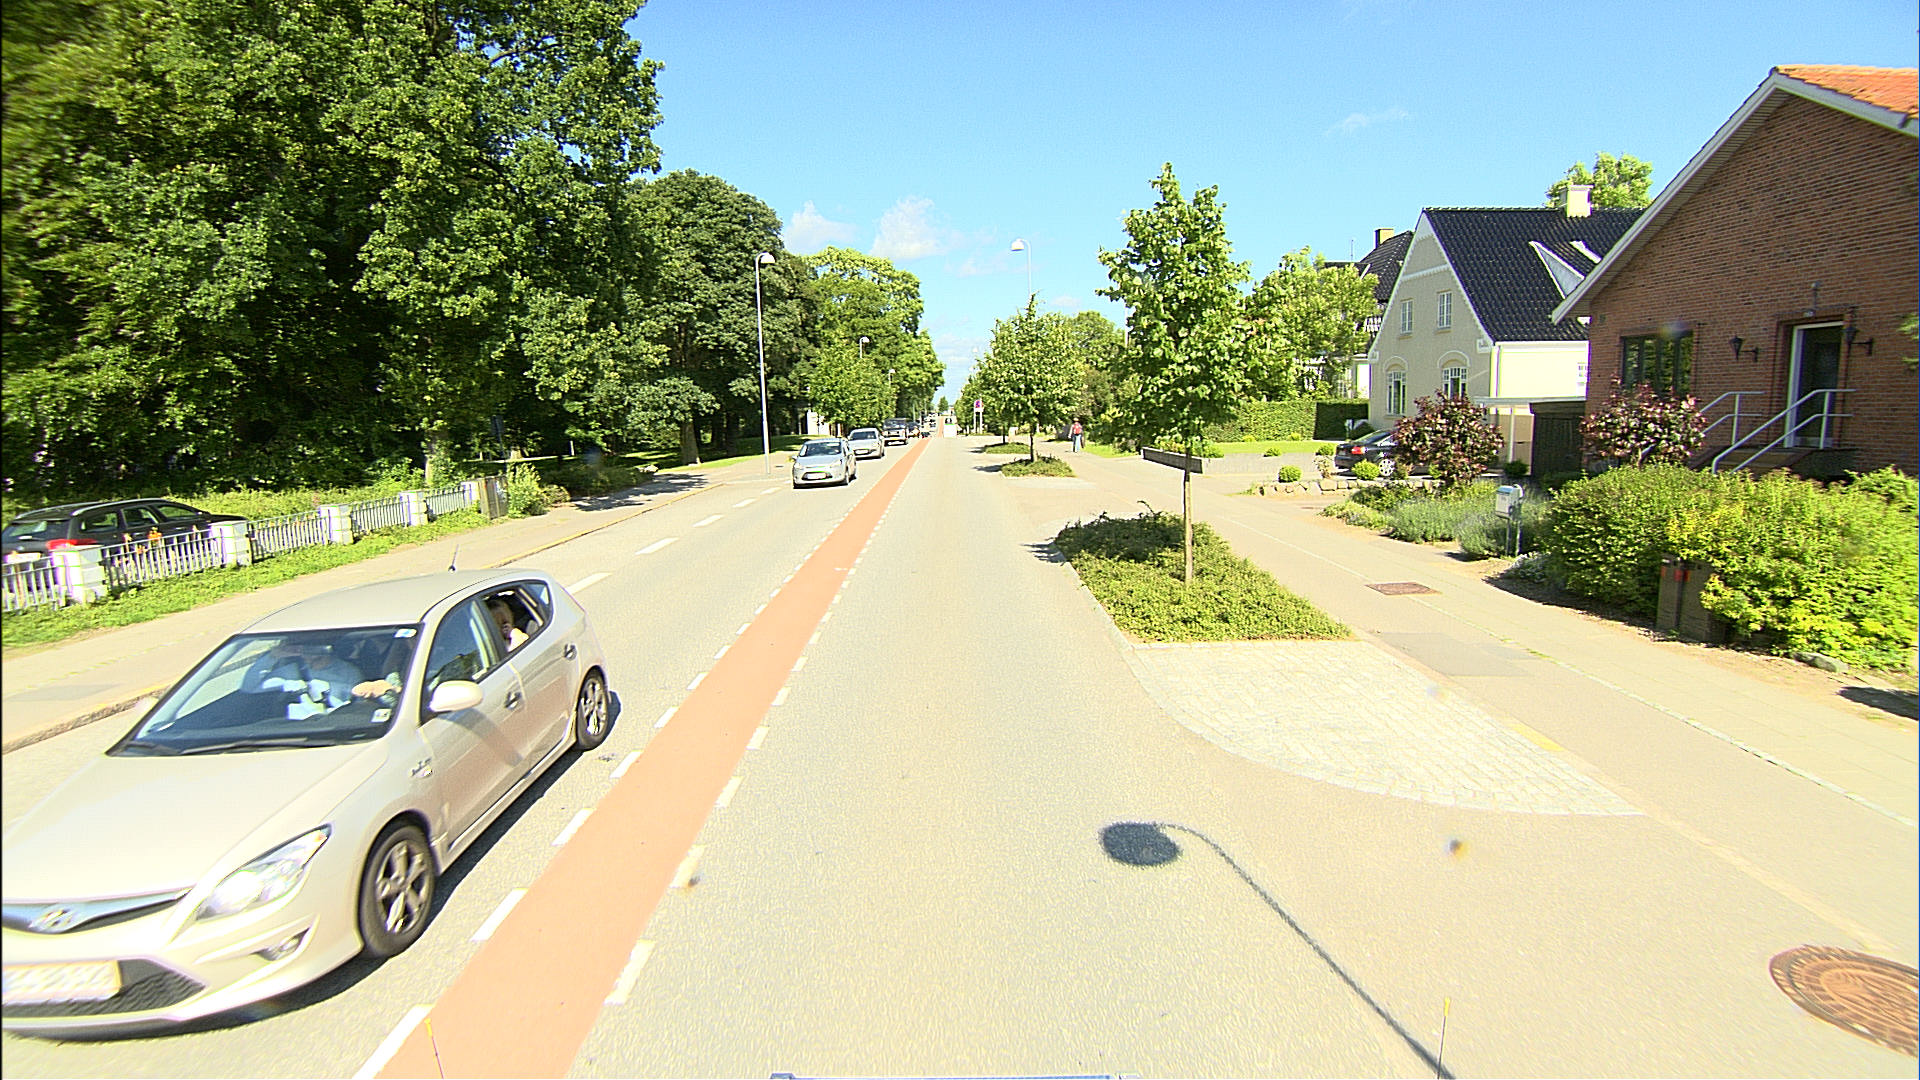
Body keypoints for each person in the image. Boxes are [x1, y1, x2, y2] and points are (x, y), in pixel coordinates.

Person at [243, 639, 366, 718]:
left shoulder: (349, 672)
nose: (310, 654)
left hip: (331, 726)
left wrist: (330, 689)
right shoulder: (292, 672)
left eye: (314, 648)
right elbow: (249, 687)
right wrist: (272, 657)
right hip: (293, 730)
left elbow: (359, 708)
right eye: (305, 649)